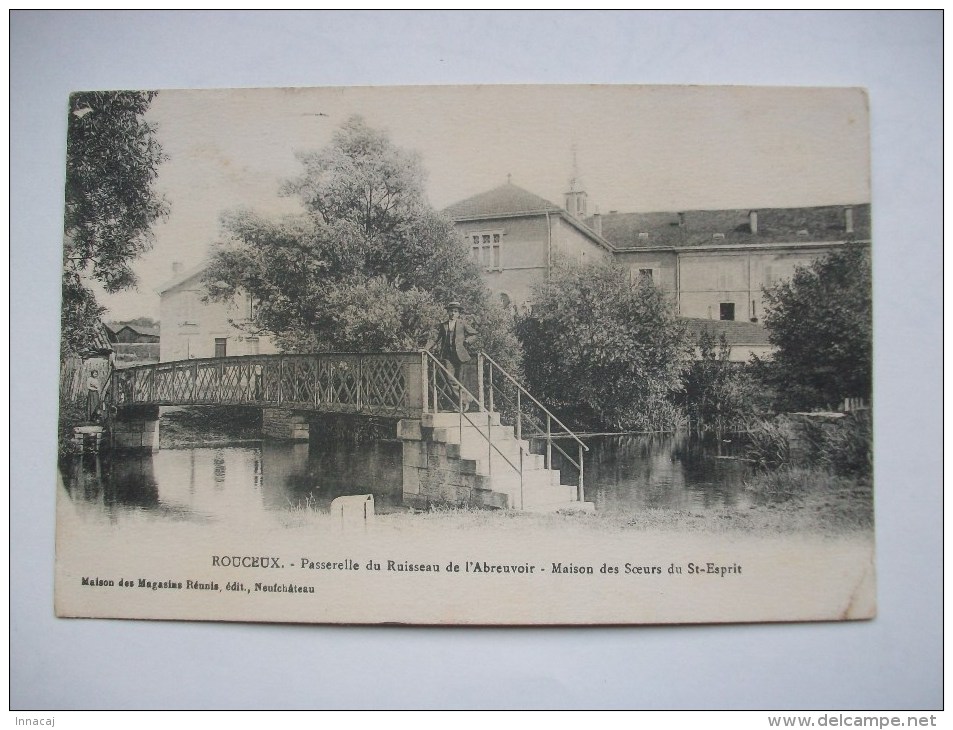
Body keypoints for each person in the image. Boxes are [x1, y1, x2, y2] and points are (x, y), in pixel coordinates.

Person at [426, 301, 478, 406]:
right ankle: (464, 401)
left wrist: (467, 341)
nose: (453, 313)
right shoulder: (443, 325)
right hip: (447, 356)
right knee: (450, 379)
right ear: (448, 312)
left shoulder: (462, 324)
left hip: (461, 356)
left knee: (460, 380)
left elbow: (475, 334)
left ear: (458, 313)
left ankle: (461, 403)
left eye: (455, 311)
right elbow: (435, 338)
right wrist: (426, 349)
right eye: (451, 311)